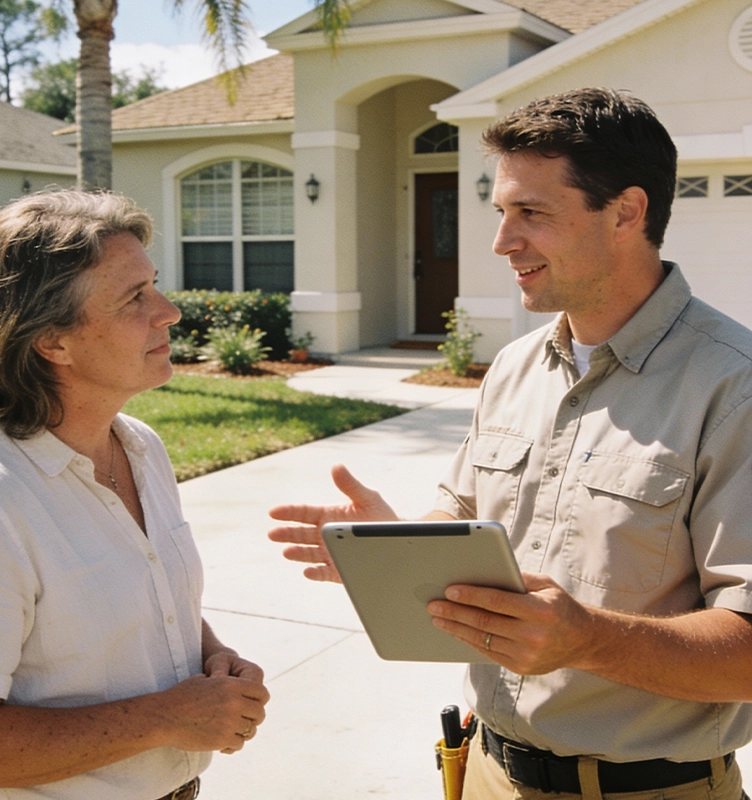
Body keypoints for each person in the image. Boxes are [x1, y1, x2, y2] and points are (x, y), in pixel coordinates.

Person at [268, 87, 752, 800]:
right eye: (502, 212)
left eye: (532, 213)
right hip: (489, 773)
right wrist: (393, 549)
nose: (502, 241)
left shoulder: (732, 388)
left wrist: (588, 638)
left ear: (626, 212)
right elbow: (464, 517)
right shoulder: (515, 368)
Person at [0, 190, 270, 800]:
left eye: (154, 285)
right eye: (134, 298)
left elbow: (142, 595)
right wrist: (165, 718)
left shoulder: (140, 447)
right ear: (52, 341)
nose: (169, 311)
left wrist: (214, 659)